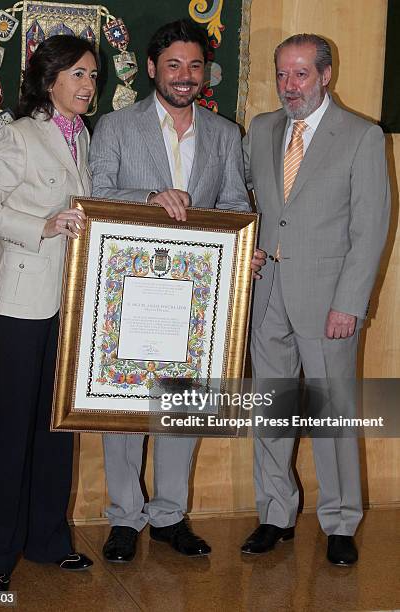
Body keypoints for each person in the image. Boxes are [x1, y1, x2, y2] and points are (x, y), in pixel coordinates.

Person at [89, 18, 265, 563]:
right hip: (128, 291)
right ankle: (123, 518)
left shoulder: (225, 133)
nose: (185, 76)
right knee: (122, 406)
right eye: (174, 65)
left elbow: (236, 204)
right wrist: (150, 195)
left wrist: (242, 246)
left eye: (194, 66)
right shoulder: (116, 127)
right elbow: (96, 192)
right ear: (151, 69)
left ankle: (168, 516)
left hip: (196, 298)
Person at [241, 34, 390, 565]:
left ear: (326, 74)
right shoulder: (260, 130)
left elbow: (371, 228)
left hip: (329, 300)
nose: (289, 86)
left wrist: (349, 302)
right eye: (282, 74)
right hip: (266, 293)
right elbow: (249, 206)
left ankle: (341, 521)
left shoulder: (362, 136)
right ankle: (275, 513)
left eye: (301, 74)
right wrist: (246, 255)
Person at [0, 35, 98, 591]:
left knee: (56, 423)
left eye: (92, 75)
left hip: (69, 299)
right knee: (14, 425)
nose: (88, 85)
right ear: (49, 80)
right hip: (23, 300)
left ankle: (48, 540)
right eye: (78, 75)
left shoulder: (83, 135)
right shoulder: (19, 136)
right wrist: (42, 225)